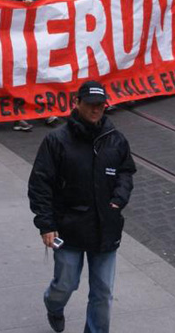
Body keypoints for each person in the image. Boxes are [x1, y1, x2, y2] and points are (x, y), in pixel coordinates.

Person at [29, 81, 135, 333]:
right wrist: (46, 224)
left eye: (100, 105)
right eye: (90, 104)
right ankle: (53, 305)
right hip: (68, 227)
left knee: (103, 292)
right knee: (65, 284)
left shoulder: (116, 139)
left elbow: (126, 172)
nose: (95, 109)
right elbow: (40, 184)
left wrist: (119, 198)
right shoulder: (56, 140)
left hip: (105, 227)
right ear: (77, 103)